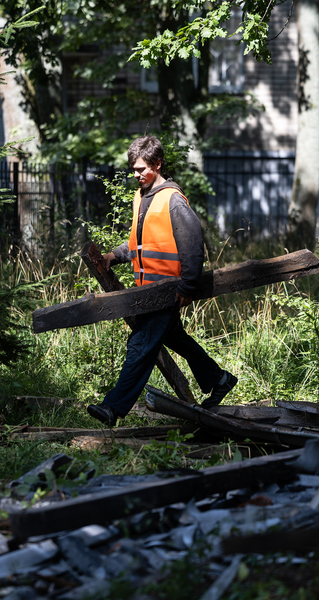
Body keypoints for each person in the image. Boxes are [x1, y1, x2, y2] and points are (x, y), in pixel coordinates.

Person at [87, 136, 237, 427]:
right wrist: (112, 257)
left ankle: (112, 408)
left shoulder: (173, 200)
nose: (136, 174)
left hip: (166, 291)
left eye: (142, 169)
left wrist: (187, 287)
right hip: (147, 290)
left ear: (157, 164)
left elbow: (193, 247)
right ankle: (219, 379)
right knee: (173, 337)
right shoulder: (142, 197)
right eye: (133, 169)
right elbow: (140, 244)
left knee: (141, 345)